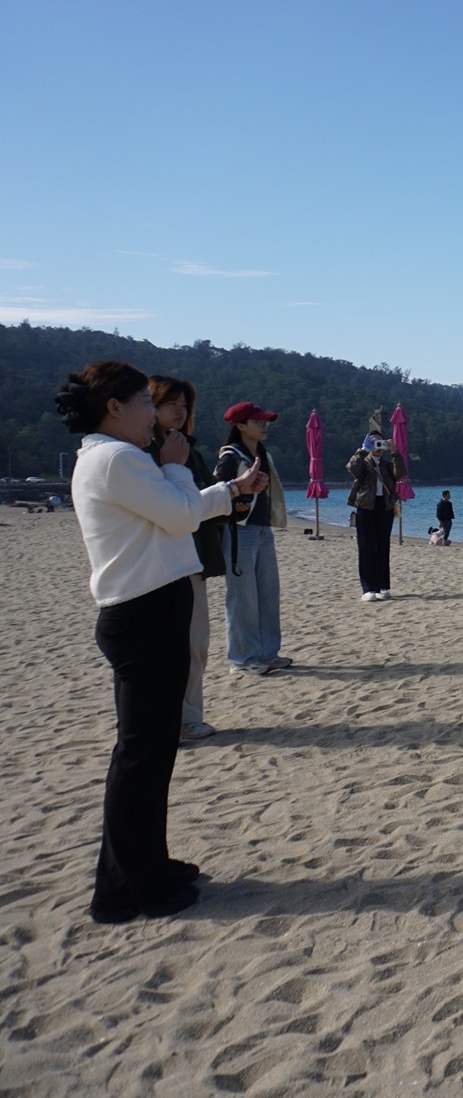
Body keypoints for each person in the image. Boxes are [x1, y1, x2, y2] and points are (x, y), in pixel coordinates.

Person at [58, 361, 268, 923]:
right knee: (141, 756)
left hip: (150, 609)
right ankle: (126, 888)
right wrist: (177, 467)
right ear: (115, 408)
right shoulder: (116, 458)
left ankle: (148, 866)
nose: (155, 414)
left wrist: (230, 489)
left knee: (152, 754)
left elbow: (179, 512)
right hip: (143, 613)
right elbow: (180, 517)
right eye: (145, 403)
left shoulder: (114, 457)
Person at [148, 377, 227, 743]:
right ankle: (166, 720)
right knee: (164, 647)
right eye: (171, 404)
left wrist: (233, 498)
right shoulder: (139, 453)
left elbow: (199, 505)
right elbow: (171, 507)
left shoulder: (190, 452)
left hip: (193, 558)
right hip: (158, 563)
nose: (179, 412)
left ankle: (190, 717)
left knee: (196, 643)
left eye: (184, 406)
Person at [213, 401, 289, 675]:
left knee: (268, 594)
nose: (264, 425)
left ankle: (268, 653)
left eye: (266, 421)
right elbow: (218, 491)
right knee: (242, 597)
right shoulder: (231, 456)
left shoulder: (262, 453)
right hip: (239, 531)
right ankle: (242, 659)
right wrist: (239, 501)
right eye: (258, 421)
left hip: (262, 529)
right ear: (240, 425)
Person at [346, 433, 407, 601]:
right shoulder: (363, 463)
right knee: (366, 547)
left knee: (383, 546)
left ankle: (383, 586)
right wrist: (363, 450)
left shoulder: (387, 465)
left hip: (385, 507)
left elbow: (400, 474)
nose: (378, 447)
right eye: (374, 443)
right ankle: (368, 588)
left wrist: (395, 452)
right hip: (365, 507)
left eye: (380, 443)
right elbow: (352, 468)